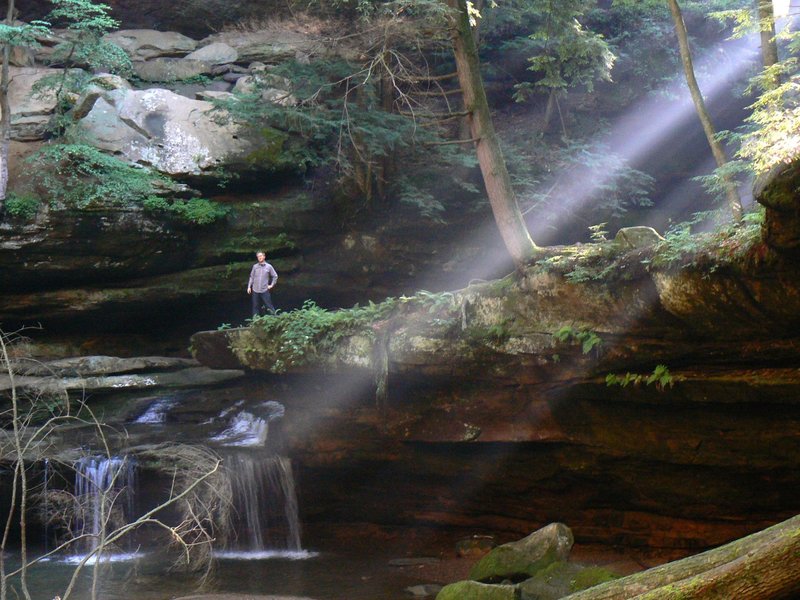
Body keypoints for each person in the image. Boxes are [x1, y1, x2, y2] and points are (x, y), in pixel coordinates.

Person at [247, 251, 278, 317]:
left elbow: (275, 276)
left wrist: (271, 285)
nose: (259, 257)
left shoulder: (269, 266)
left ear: (264, 257)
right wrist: (249, 287)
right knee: (255, 306)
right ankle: (255, 321)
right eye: (258, 256)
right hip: (255, 289)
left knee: (268, 305)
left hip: (264, 289)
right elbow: (251, 277)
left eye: (261, 256)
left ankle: (275, 319)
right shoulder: (255, 266)